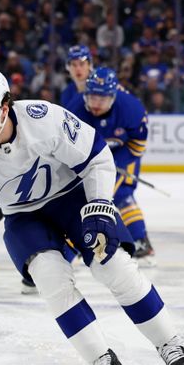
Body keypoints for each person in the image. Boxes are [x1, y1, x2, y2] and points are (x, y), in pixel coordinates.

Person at [0, 68, 184, 365]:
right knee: (49, 277)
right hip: (22, 216)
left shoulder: (43, 118)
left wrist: (100, 205)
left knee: (113, 264)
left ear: (4, 107)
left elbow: (97, 157)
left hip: (71, 198)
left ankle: (168, 342)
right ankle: (100, 358)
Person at [67, 67, 156, 266]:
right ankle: (76, 244)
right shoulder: (73, 111)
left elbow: (137, 146)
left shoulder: (132, 109)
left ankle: (140, 241)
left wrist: (112, 164)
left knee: (119, 193)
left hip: (122, 155)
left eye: (103, 99)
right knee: (78, 196)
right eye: (92, 98)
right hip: (88, 158)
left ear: (113, 97)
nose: (97, 104)